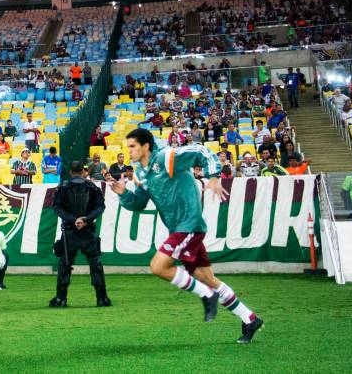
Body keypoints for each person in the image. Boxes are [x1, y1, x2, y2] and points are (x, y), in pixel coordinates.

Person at [106, 128, 263, 344]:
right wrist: (123, 193)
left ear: (145, 146)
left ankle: (207, 296)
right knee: (207, 278)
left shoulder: (167, 156)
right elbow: (139, 203)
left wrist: (214, 177)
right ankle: (250, 318)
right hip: (179, 229)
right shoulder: (140, 174)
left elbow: (201, 151)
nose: (129, 151)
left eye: (132, 146)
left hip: (189, 224)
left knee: (159, 266)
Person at [49, 160, 111, 308]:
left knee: (65, 264)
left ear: (70, 172)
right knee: (95, 264)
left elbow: (56, 208)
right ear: (83, 172)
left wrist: (73, 219)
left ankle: (61, 298)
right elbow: (100, 207)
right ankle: (101, 298)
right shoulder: (92, 187)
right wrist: (86, 219)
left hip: (70, 231)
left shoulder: (63, 188)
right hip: (88, 231)